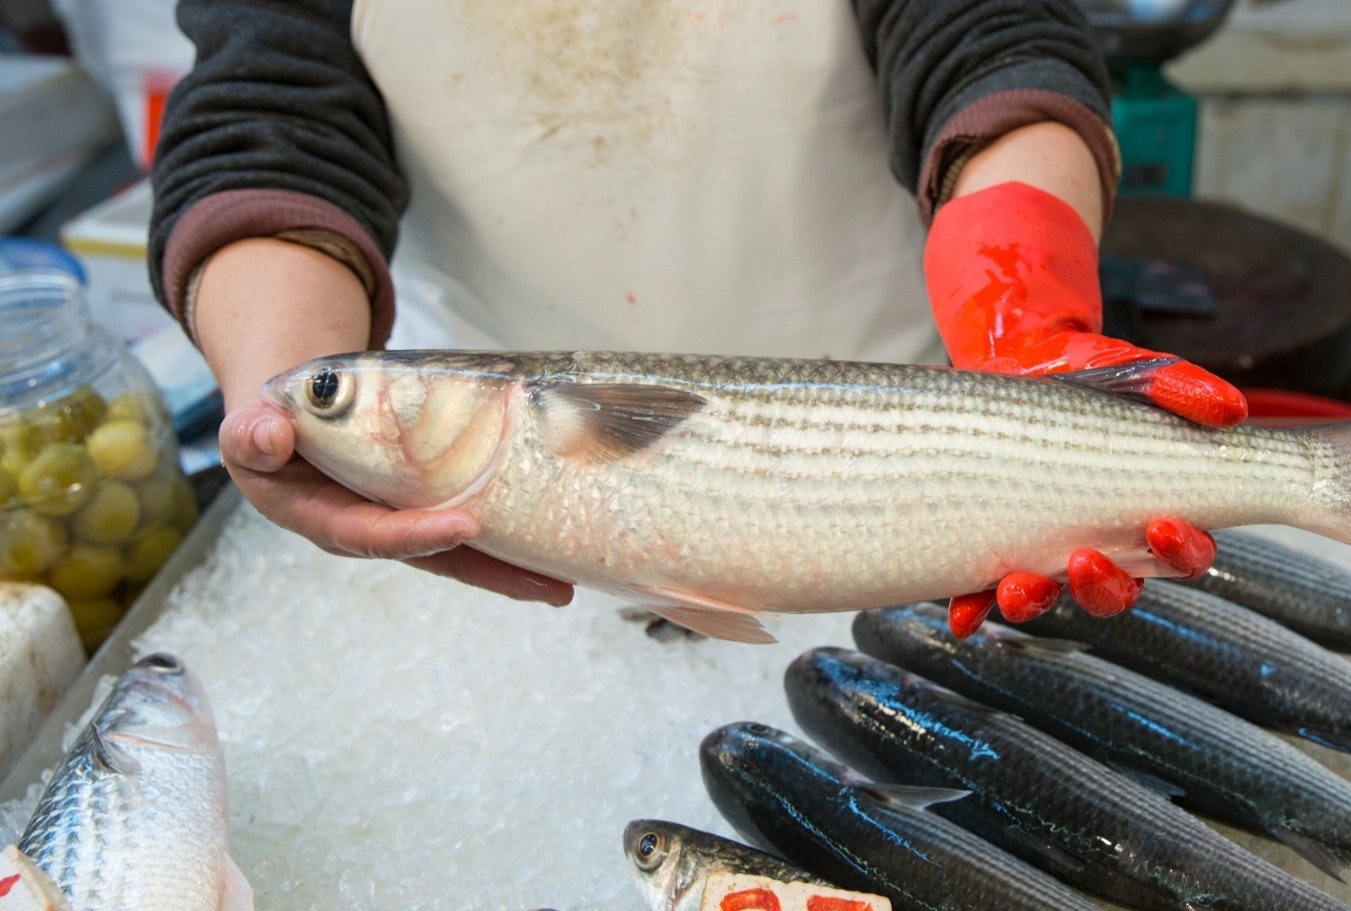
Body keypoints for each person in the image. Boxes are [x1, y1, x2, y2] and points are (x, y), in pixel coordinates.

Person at [147, 0, 1247, 637]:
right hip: (479, 534)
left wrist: (1030, 320)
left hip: (922, 461)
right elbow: (271, 113)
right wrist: (290, 390)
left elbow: (990, 31)